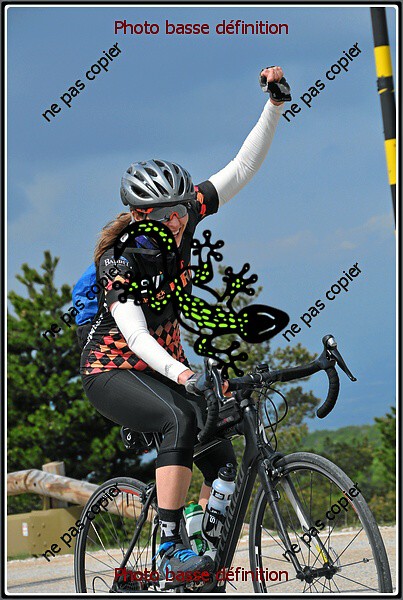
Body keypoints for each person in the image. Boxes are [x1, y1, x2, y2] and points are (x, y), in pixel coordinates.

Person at [80, 66, 287, 586]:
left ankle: (203, 553)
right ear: (140, 216)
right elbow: (135, 337)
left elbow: (241, 167)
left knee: (223, 455)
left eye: (180, 210)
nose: (177, 221)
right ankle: (170, 547)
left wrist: (275, 105)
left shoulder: (183, 216)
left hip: (167, 365)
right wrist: (184, 374)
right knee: (178, 418)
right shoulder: (121, 260)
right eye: (165, 214)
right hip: (113, 369)